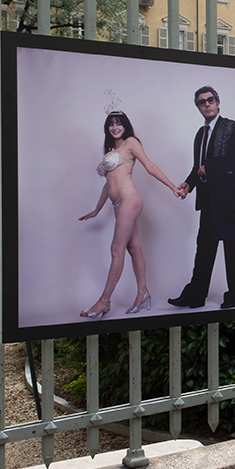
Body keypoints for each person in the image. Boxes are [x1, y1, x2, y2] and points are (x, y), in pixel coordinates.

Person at [78, 111, 181, 318]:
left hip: (129, 198)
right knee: (133, 248)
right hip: (118, 203)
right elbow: (108, 185)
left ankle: (104, 301)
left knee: (116, 249)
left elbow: (150, 166)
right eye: (111, 125)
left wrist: (173, 187)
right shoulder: (110, 150)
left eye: (118, 124)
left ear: (125, 126)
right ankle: (143, 292)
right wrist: (97, 210)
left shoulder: (131, 143)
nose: (115, 127)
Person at [169, 86, 235, 310]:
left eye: (210, 100)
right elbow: (198, 168)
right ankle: (195, 296)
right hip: (208, 200)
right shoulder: (200, 134)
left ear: (218, 102)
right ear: (198, 107)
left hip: (229, 199)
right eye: (202, 102)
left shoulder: (230, 127)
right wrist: (188, 183)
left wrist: (210, 167)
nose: (207, 104)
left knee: (232, 249)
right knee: (203, 248)